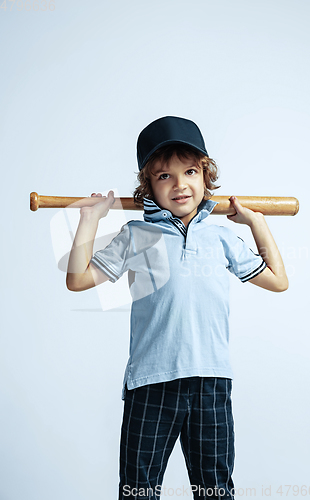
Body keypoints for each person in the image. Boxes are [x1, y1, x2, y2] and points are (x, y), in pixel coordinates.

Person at [66, 116, 288, 500]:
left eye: (190, 172)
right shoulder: (137, 235)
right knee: (138, 491)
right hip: (150, 382)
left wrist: (257, 223)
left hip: (210, 381)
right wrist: (89, 219)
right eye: (164, 176)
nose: (181, 185)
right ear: (149, 186)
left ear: (206, 176)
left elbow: (277, 279)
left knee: (215, 490)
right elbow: (78, 279)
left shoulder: (221, 238)